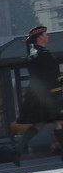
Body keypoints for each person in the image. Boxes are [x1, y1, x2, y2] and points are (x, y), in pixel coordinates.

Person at [15, 25, 62, 158]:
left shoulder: (34, 52)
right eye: (45, 34)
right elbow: (49, 74)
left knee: (40, 124)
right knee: (58, 121)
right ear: (40, 37)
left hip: (39, 93)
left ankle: (17, 149)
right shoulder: (42, 53)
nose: (47, 36)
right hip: (49, 92)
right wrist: (57, 88)